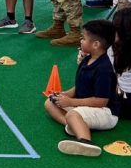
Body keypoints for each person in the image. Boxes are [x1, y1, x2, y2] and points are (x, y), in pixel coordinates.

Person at [45, 19, 119, 157]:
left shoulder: (104, 69)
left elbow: (101, 101)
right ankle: (71, 126)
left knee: (73, 114)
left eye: (83, 38)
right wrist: (64, 95)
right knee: (50, 103)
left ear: (96, 44)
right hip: (85, 107)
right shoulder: (87, 60)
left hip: (106, 112)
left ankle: (86, 142)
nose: (80, 41)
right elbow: (79, 86)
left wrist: (71, 103)